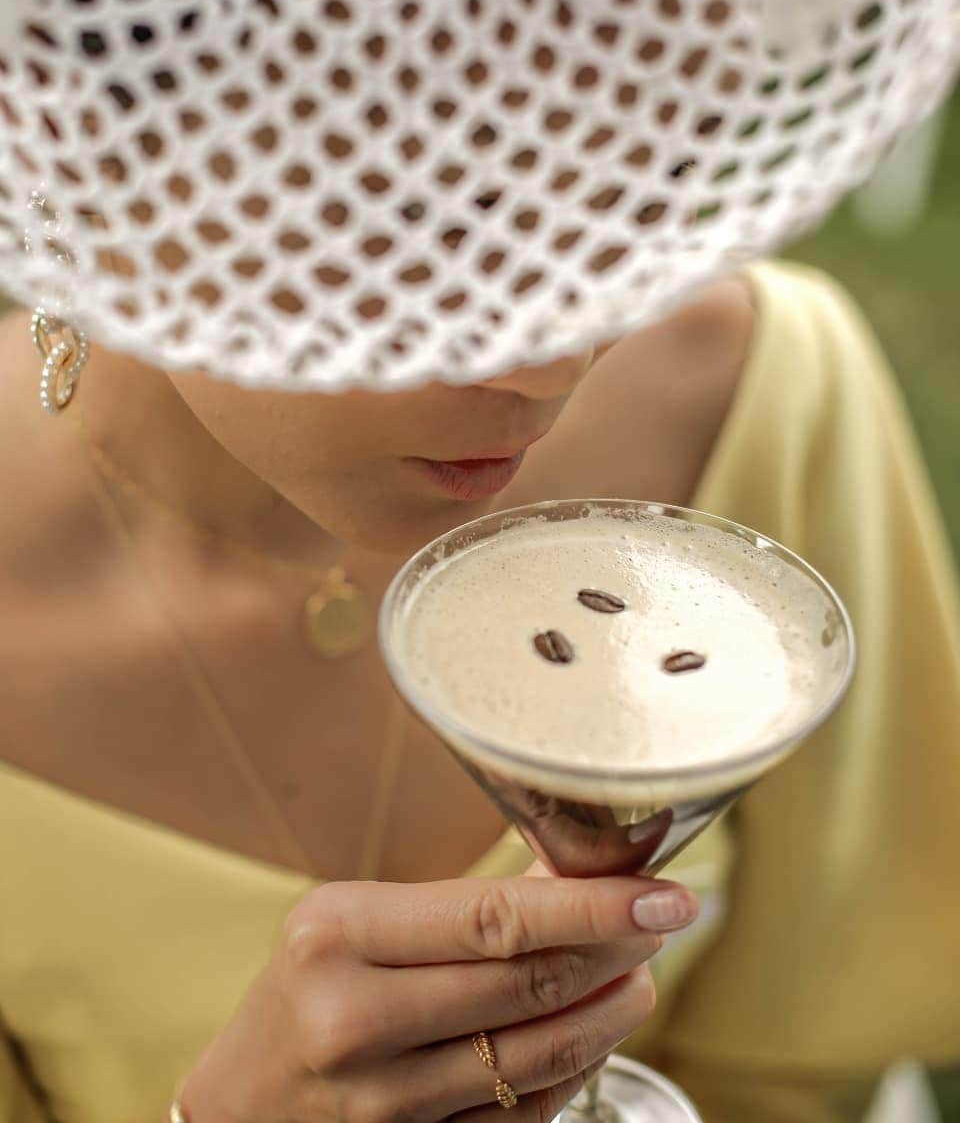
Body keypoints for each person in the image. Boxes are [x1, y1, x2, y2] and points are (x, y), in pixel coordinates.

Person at [2, 251, 960, 1123]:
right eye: (418, 223)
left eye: (630, 191)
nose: (554, 360)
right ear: (73, 136)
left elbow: (826, 1062)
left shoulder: (756, 381)